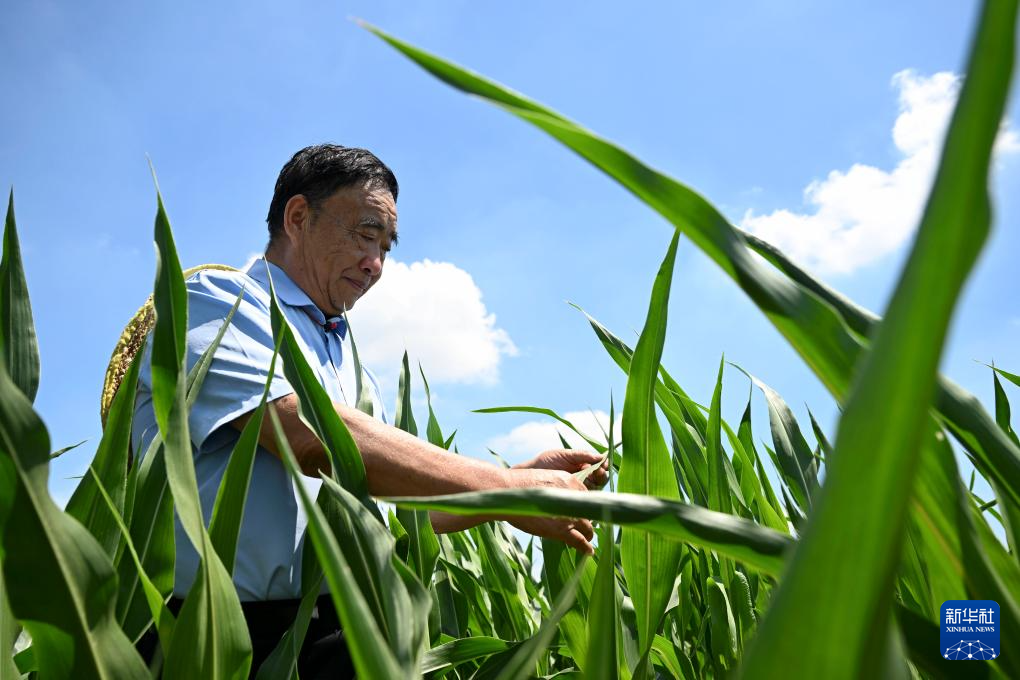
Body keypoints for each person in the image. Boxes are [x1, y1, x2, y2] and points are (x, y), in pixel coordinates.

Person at [131, 144, 608, 677]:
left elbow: (396, 509)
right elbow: (309, 435)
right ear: (298, 217)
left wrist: (518, 481)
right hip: (221, 639)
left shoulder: (352, 366)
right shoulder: (217, 302)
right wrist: (507, 487)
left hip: (336, 635)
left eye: (386, 246)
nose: (376, 265)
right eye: (365, 234)